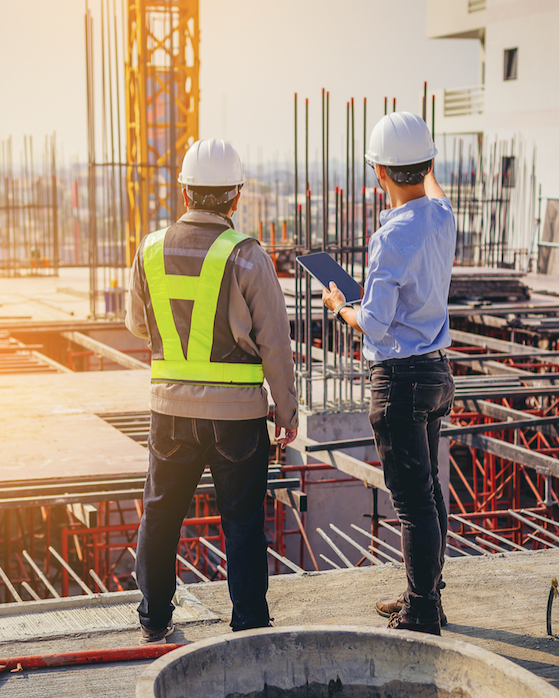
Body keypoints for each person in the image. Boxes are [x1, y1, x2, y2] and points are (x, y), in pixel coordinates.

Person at [125, 138, 298, 642]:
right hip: (238, 418)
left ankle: (154, 618)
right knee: (242, 523)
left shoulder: (150, 249)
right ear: (235, 196)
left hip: (170, 412)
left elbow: (138, 325)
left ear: (184, 193)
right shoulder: (247, 256)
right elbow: (276, 344)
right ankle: (248, 624)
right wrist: (285, 412)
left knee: (160, 513)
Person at [321, 112, 456, 636]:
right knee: (428, 493)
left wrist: (338, 304)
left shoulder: (392, 236)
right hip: (435, 374)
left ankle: (421, 611)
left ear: (378, 173)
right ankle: (426, 595)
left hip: (399, 379)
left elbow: (375, 326)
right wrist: (424, 165)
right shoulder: (442, 217)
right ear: (425, 166)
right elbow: (435, 193)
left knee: (413, 500)